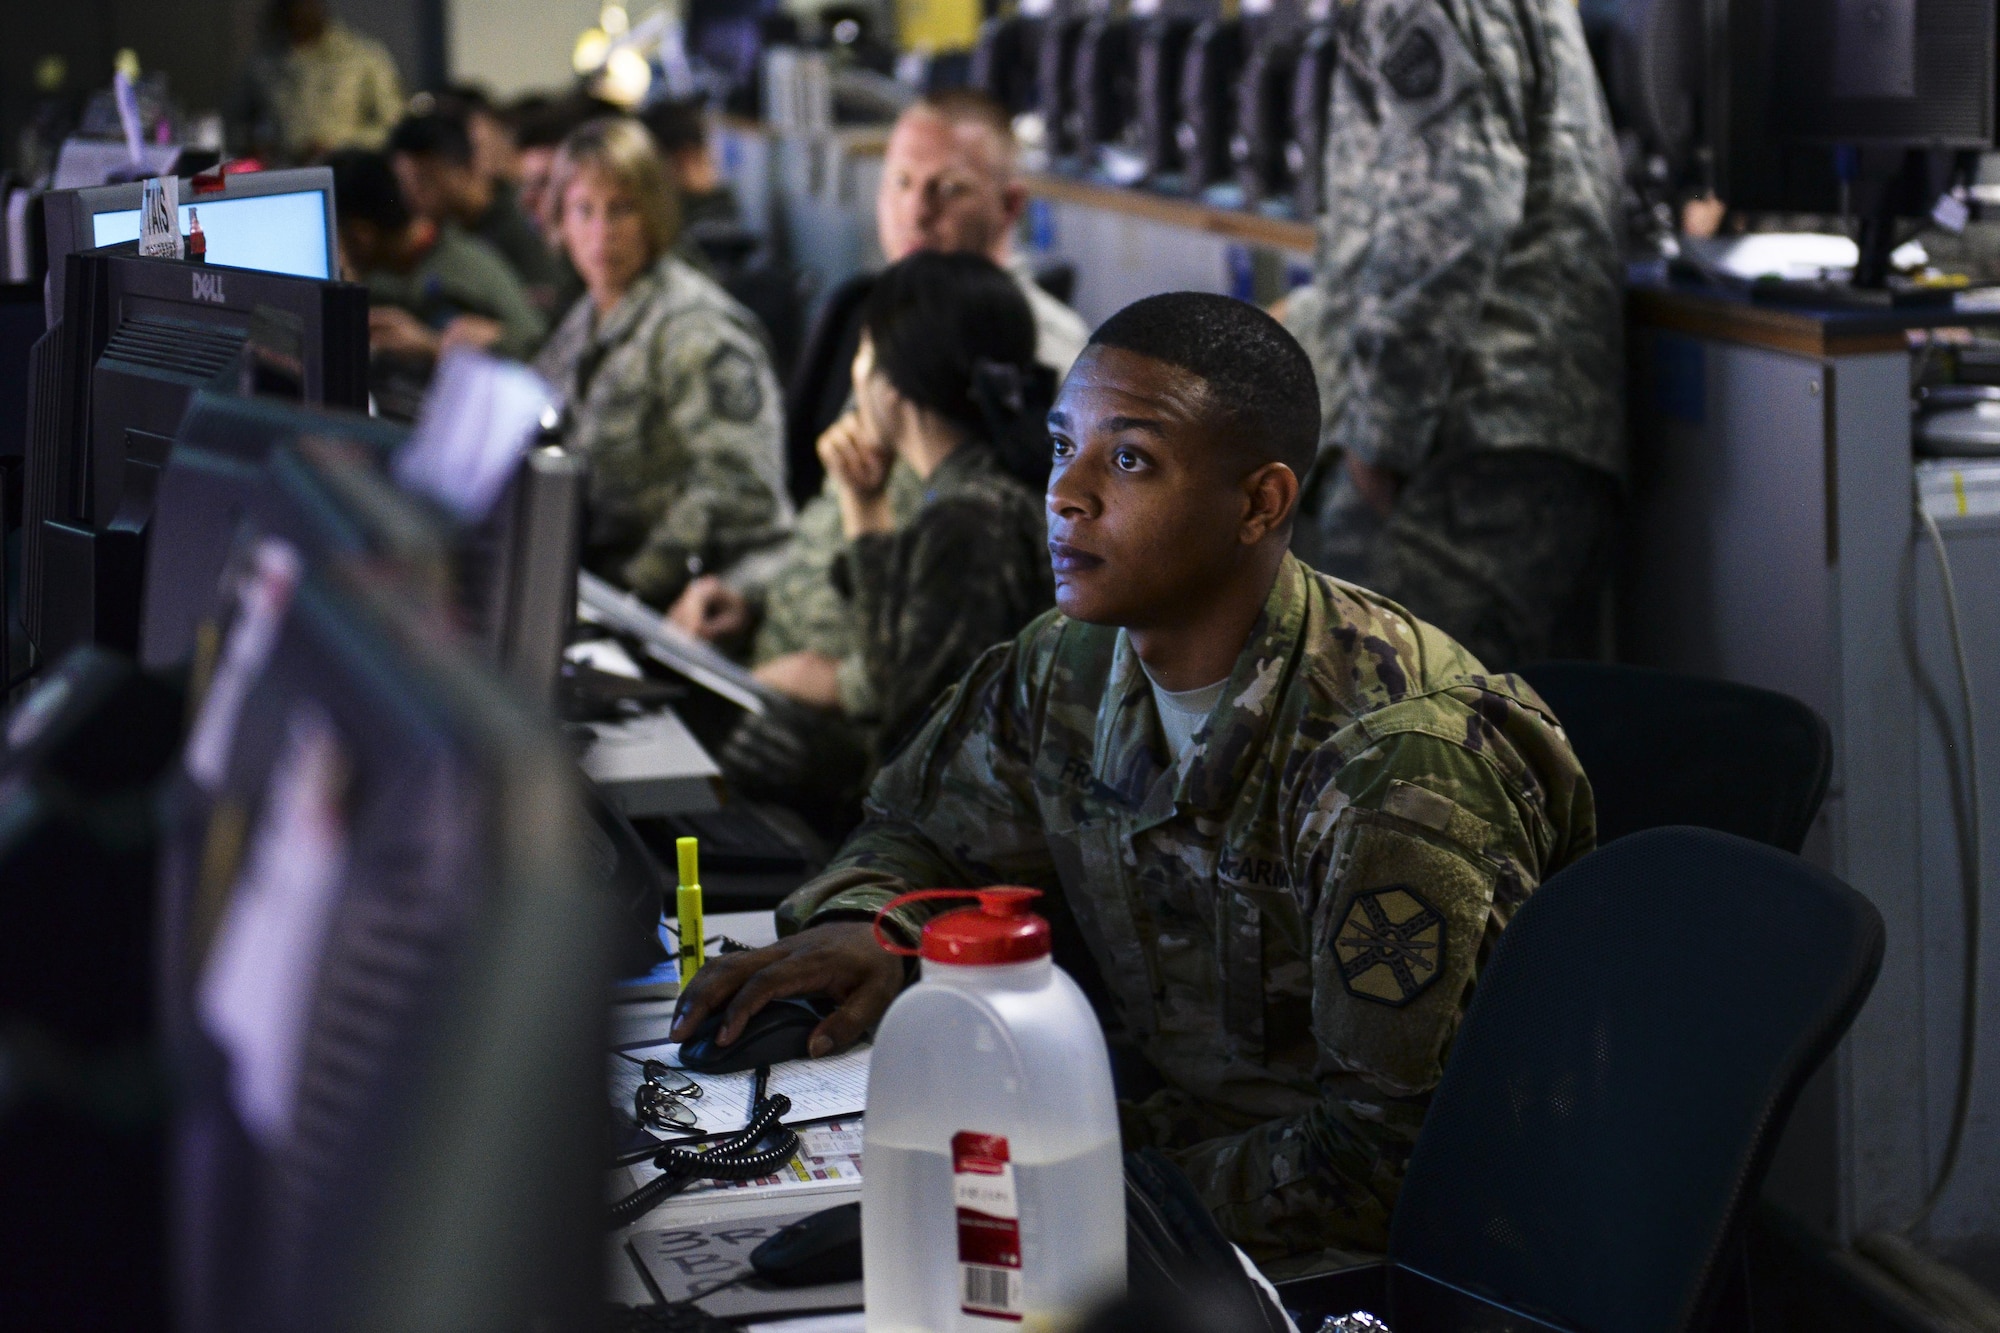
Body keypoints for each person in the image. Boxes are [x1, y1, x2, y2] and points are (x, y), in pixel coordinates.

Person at [669, 293, 1596, 1273]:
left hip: (1351, 1257)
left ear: (1258, 504)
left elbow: (1386, 1162)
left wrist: (1068, 1197)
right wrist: (879, 924)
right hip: (1147, 1177)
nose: (1064, 491)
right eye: (1062, 445)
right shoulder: (1065, 664)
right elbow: (916, 825)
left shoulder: (1393, 772)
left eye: (1128, 460)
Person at [668, 91, 1087, 728]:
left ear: (1008, 208)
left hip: (880, 717)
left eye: (949, 189)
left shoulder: (1042, 361)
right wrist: (751, 597)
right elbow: (840, 513)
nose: (917, 212)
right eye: (901, 183)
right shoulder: (890, 326)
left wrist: (842, 681)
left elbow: (1017, 609)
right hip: (787, 668)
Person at [1291, 0, 1624, 671]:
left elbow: (1450, 212)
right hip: (1506, 423)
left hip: (1468, 432)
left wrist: (1383, 431)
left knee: (1403, 731)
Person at [718, 251, 1056, 809]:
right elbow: (894, 676)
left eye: (866, 351)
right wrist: (863, 504)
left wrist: (818, 769)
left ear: (893, 383)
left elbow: (912, 754)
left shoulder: (967, 521)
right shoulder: (972, 495)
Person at [533, 118, 791, 607]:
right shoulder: (587, 315)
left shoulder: (697, 331)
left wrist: (629, 591)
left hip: (697, 598)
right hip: (605, 585)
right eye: (583, 211)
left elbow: (738, 492)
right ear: (559, 222)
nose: (601, 233)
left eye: (621, 210)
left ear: (653, 214)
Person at [325, 149, 547, 419]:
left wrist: (433, 346)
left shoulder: (465, 272)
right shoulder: (392, 272)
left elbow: (538, 350)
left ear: (362, 236)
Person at [388, 105, 570, 315]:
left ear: (461, 167)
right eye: (403, 183)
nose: (411, 195)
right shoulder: (451, 231)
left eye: (422, 180)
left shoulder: (525, 221)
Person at [233, 0, 403, 161]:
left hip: (350, 174)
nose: (303, 9)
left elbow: (395, 126)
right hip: (287, 174)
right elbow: (234, 125)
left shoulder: (364, 57)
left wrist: (339, 146)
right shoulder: (264, 64)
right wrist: (256, 148)